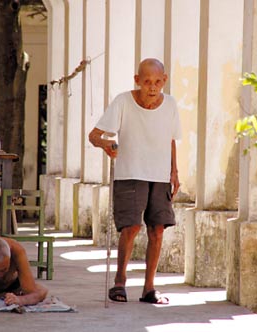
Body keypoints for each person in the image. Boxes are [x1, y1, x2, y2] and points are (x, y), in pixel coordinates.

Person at [89, 58, 181, 304]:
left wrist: (175, 172)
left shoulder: (170, 104)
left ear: (165, 81)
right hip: (130, 172)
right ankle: (120, 282)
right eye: (147, 82)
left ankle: (149, 289)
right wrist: (107, 144)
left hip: (160, 175)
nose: (153, 87)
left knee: (158, 230)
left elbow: (170, 139)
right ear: (137, 80)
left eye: (158, 82)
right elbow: (94, 136)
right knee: (131, 227)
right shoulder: (123, 101)